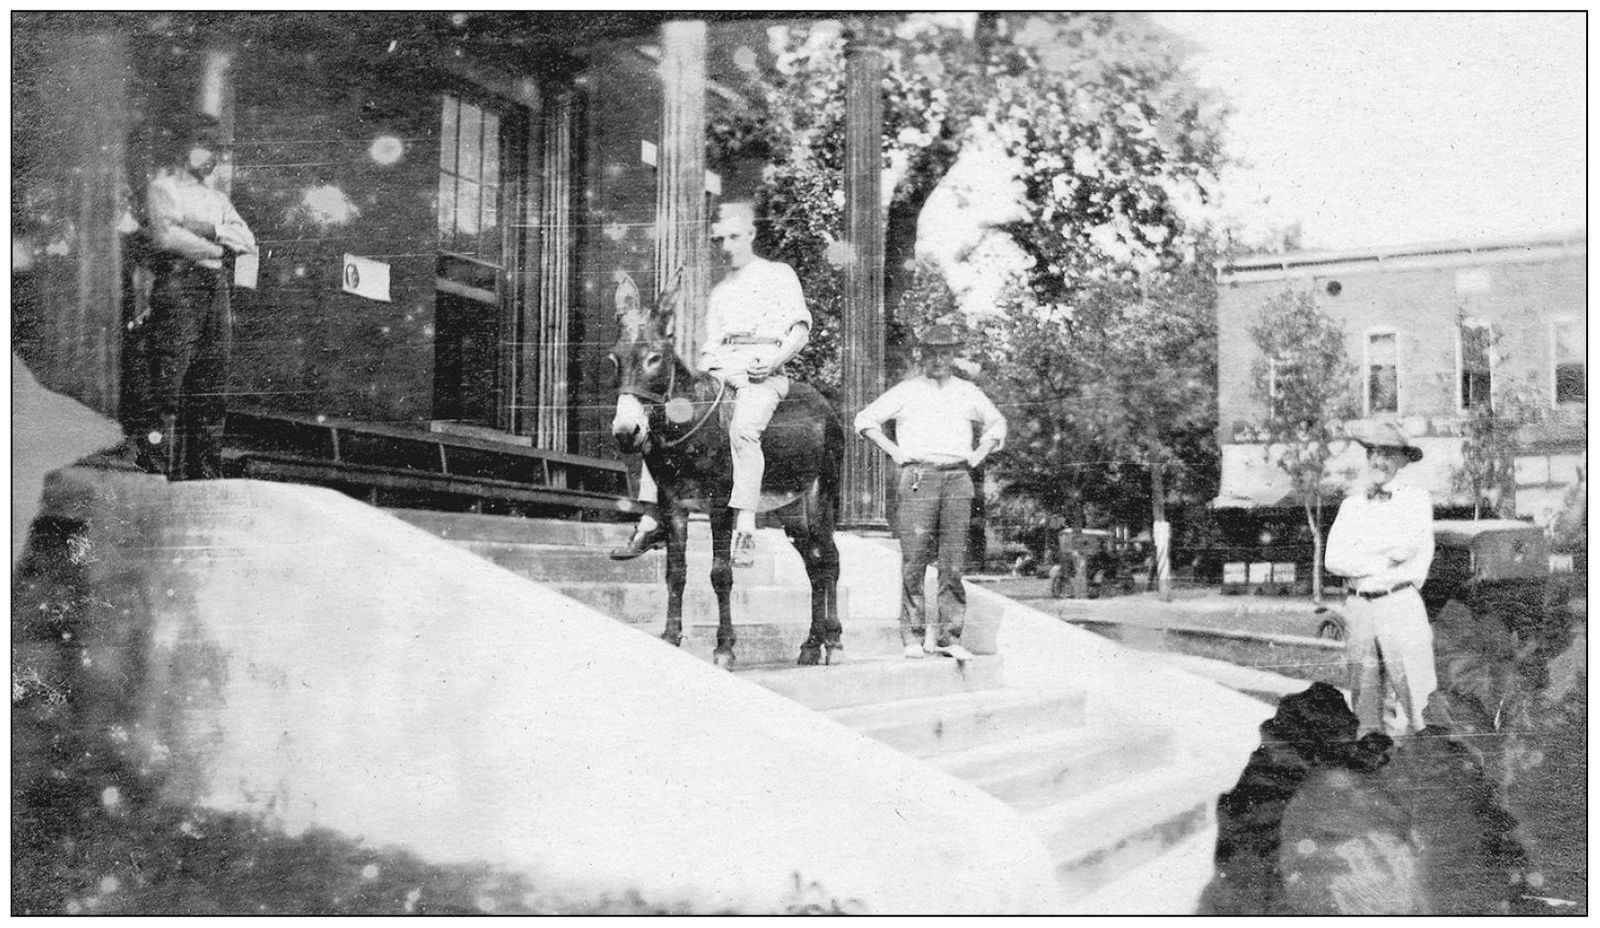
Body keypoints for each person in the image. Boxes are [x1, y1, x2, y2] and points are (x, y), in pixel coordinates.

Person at [611, 202, 811, 568]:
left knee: (744, 430)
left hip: (762, 369)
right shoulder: (720, 292)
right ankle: (651, 518)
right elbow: (710, 348)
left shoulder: (778, 274)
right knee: (662, 420)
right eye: (720, 239)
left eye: (734, 236)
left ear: (751, 234)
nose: (727, 245)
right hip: (720, 369)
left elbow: (799, 330)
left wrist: (775, 360)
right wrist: (693, 381)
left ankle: (745, 524)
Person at [855, 325, 1007, 661]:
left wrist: (978, 455)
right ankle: (911, 637)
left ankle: (950, 637)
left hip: (957, 478)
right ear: (921, 355)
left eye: (944, 352)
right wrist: (894, 451)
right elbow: (864, 419)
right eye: (931, 352)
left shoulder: (967, 392)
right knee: (914, 560)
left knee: (952, 563)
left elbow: (997, 424)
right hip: (918, 477)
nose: (938, 359)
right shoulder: (907, 390)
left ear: (953, 355)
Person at [137, 112, 257, 480]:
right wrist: (219, 247)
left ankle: (205, 471)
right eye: (206, 146)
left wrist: (204, 227)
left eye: (218, 150)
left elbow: (248, 241)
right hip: (178, 286)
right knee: (168, 382)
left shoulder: (218, 198)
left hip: (214, 290)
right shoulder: (163, 188)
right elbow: (168, 238)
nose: (213, 156)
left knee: (211, 383)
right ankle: (154, 466)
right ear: (186, 147)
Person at [1324, 420, 1436, 736]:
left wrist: (1361, 555)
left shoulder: (1416, 500)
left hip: (1399, 602)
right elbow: (1333, 560)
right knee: (1365, 698)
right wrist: (1382, 559)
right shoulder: (1352, 505)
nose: (1378, 460)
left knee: (1417, 694)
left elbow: (1407, 548)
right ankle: (1371, 770)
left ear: (1402, 460)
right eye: (1373, 452)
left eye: (1387, 453)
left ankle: (1431, 767)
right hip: (1359, 607)